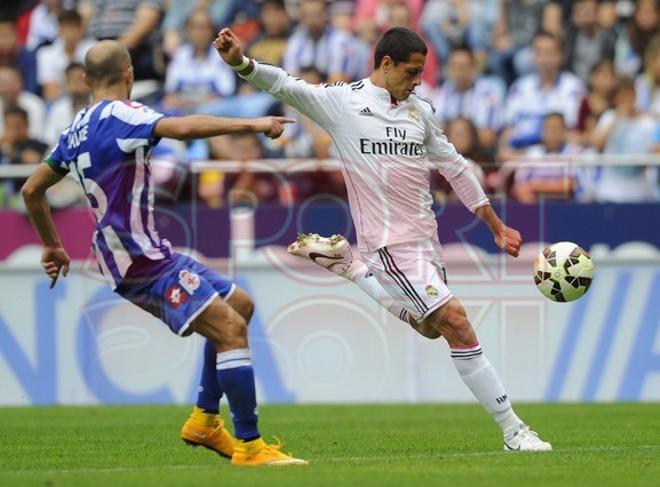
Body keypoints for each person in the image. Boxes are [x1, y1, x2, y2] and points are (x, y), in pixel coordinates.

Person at [215, 26, 552, 452]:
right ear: (386, 63)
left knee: (432, 328)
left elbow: (455, 166)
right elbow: (285, 84)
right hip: (388, 243)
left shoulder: (420, 111)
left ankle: (350, 267)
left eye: (422, 73)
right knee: (456, 322)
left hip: (426, 239)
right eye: (411, 72)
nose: (417, 81)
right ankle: (514, 431)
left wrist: (494, 223)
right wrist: (241, 63)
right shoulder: (343, 103)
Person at [20, 39, 306, 467]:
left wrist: (52, 244)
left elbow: (30, 189)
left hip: (146, 251)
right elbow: (184, 128)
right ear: (129, 74)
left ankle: (205, 421)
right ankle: (249, 446)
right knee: (229, 330)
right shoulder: (124, 114)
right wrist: (252, 125)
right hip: (139, 258)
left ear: (84, 79)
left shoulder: (75, 127)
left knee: (239, 305)